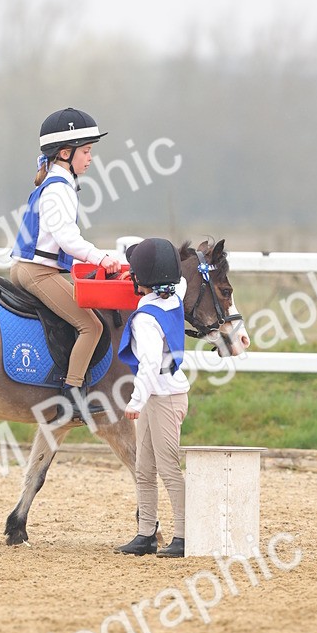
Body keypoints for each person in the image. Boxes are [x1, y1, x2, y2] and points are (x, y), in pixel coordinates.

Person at [10, 107, 123, 416]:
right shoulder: (59, 188)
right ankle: (72, 395)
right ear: (65, 153)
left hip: (33, 268)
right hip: (38, 272)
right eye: (85, 151)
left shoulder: (57, 183)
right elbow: (67, 239)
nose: (90, 158)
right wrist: (101, 258)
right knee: (92, 326)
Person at [114, 237, 190, 559]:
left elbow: (147, 364)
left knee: (168, 468)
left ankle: (185, 535)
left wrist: (134, 401)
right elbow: (183, 280)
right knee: (144, 468)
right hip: (161, 396)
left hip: (163, 398)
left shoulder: (145, 318)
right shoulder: (175, 297)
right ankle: (146, 533)